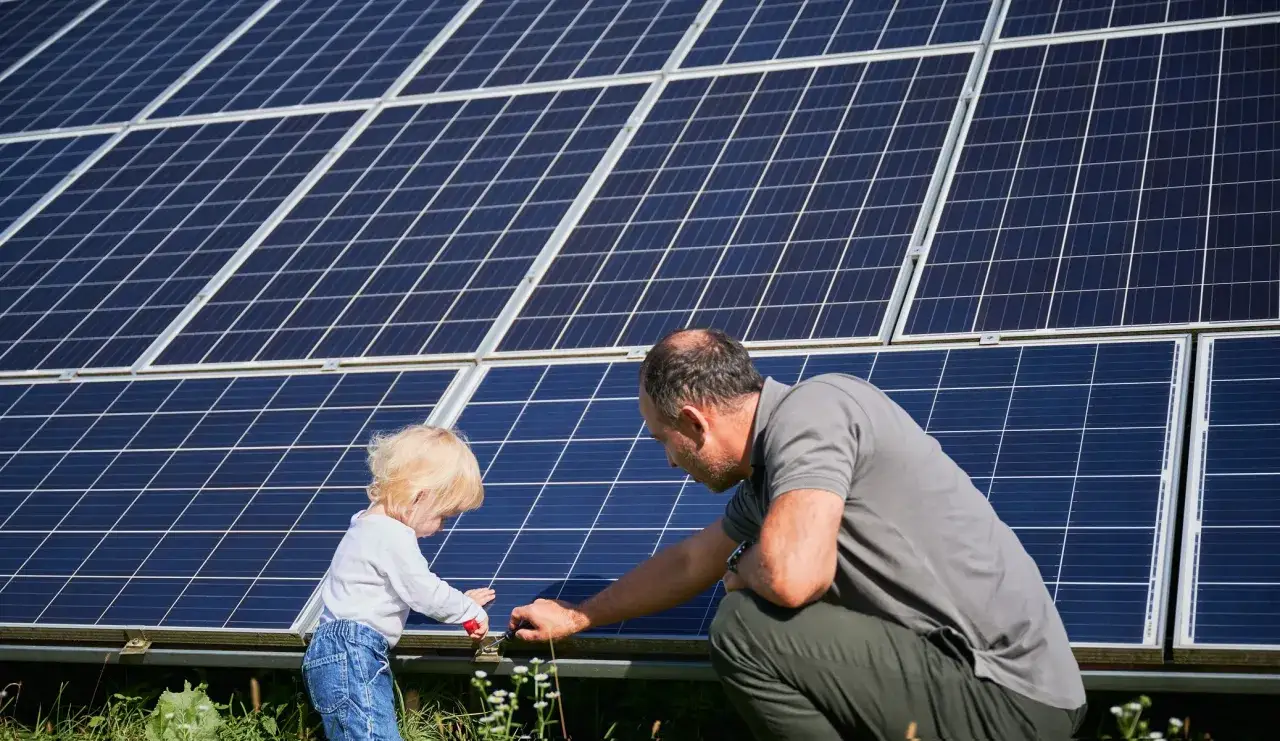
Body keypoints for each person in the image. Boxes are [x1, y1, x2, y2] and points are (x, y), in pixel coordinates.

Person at [508, 328, 1088, 740]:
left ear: (694, 422)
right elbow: (692, 561)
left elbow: (793, 577)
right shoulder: (769, 474)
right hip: (982, 681)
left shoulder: (814, 413)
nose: (668, 461)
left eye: (663, 439)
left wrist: (743, 574)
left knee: (745, 629)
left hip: (1005, 694)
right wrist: (579, 616)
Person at [303, 424, 496, 741]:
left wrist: (462, 601)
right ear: (420, 496)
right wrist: (469, 611)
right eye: (443, 516)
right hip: (355, 653)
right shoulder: (392, 535)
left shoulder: (366, 524)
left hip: (333, 651)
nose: (442, 527)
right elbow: (422, 591)